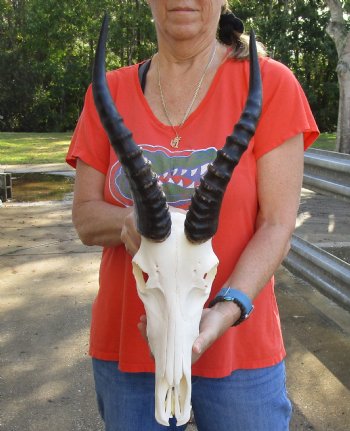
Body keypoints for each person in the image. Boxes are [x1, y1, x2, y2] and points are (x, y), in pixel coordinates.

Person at [66, 1, 319, 430]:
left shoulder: (271, 84)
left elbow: (277, 225)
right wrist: (130, 222)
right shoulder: (107, 92)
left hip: (239, 353)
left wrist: (227, 309)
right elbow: (86, 217)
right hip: (130, 349)